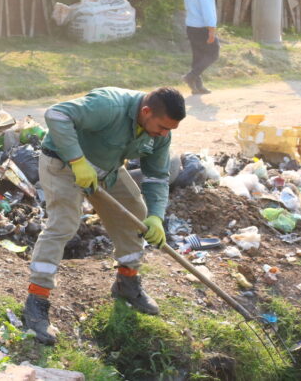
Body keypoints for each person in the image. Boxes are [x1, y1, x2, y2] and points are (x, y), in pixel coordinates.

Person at [24, 86, 186, 345]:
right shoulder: (109, 106)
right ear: (146, 111)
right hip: (63, 164)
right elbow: (56, 114)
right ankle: (37, 303)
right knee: (63, 225)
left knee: (135, 214)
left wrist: (156, 216)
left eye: (170, 130)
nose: (164, 134)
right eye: (162, 127)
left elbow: (156, 177)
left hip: (106, 169)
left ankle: (127, 282)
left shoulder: (159, 135)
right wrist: (77, 161)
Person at [183, 0, 219, 95]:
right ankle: (190, 77)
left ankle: (197, 86)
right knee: (214, 53)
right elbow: (208, 12)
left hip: (191, 27)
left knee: (197, 57)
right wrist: (212, 31)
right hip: (202, 28)